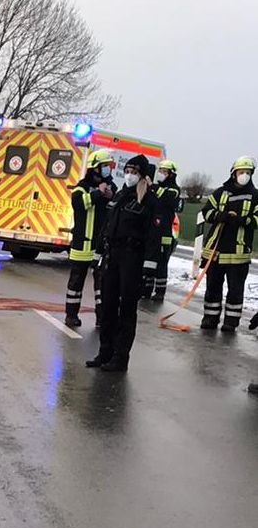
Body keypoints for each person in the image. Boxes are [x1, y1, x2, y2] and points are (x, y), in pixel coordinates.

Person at [86, 155, 158, 372]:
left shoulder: (149, 200)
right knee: (108, 305)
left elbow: (153, 237)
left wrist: (148, 270)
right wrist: (98, 254)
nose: (129, 175)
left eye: (134, 171)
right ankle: (105, 352)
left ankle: (120, 357)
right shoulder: (119, 195)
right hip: (112, 255)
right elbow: (106, 227)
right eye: (127, 170)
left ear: (143, 175)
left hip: (132, 258)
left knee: (126, 309)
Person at [198, 157, 258, 331]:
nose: (244, 175)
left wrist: (243, 221)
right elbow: (206, 211)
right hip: (215, 251)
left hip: (238, 254)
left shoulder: (255, 196)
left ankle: (231, 322)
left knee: (235, 290)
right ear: (234, 174)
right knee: (213, 288)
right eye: (241, 172)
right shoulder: (220, 192)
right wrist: (219, 216)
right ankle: (210, 318)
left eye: (248, 173)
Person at [65, 150, 116, 328]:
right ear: (95, 168)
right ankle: (71, 315)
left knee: (102, 283)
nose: (107, 169)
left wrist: (110, 196)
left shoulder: (111, 188)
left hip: (101, 245)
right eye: (105, 166)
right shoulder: (81, 187)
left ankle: (101, 319)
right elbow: (79, 204)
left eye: (109, 166)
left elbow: (114, 208)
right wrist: (97, 194)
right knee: (76, 282)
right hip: (83, 243)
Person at [141, 160, 183, 301]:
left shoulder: (174, 190)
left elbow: (166, 198)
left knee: (161, 264)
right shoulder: (156, 188)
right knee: (148, 262)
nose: (161, 174)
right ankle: (145, 289)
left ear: (171, 174)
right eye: (160, 171)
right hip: (151, 231)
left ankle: (160, 291)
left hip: (165, 233)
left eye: (164, 172)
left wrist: (152, 186)